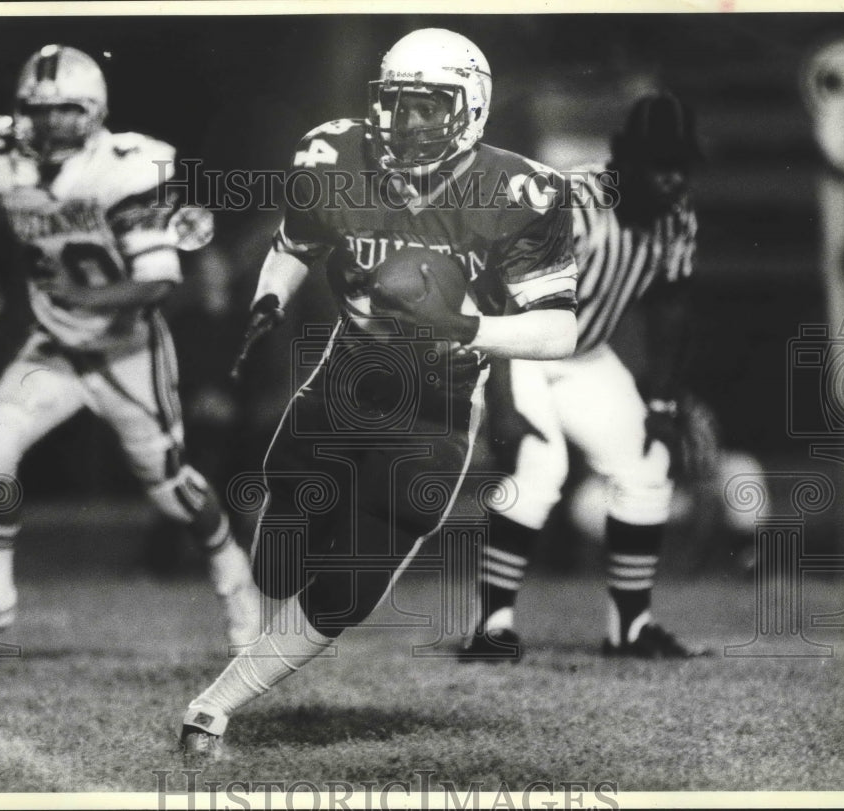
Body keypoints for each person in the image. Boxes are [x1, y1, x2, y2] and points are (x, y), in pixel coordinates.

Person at [180, 28, 579, 759]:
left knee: (348, 589)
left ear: (473, 104)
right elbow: (297, 242)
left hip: (436, 411)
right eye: (398, 104)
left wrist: (461, 324)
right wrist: (271, 296)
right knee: (276, 566)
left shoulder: (522, 192)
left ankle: (212, 706)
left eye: (431, 106)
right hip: (342, 385)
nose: (411, 121)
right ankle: (254, 618)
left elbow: (559, 331)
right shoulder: (336, 154)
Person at [0, 44, 260, 650]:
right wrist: (6, 295)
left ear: (96, 112)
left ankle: (234, 579)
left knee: (170, 487)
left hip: (127, 350)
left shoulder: (129, 169)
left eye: (68, 110)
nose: (52, 123)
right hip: (55, 347)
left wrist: (79, 299)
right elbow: (22, 235)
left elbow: (157, 282)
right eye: (39, 109)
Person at [460, 93, 713, 662]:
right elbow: (498, 296)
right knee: (537, 465)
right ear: (624, 160)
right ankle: (492, 628)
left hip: (585, 353)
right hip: (519, 344)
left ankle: (629, 630)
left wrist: (665, 402)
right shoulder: (570, 201)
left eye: (680, 166)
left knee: (648, 464)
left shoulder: (676, 214)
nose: (672, 180)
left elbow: (671, 302)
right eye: (658, 164)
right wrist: (501, 403)